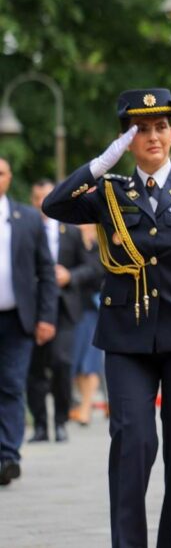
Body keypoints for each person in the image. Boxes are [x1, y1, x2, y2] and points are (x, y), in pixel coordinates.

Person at [42, 89, 171, 548]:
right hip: (125, 338)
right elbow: (54, 205)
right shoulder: (110, 191)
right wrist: (100, 165)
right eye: (141, 130)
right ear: (126, 140)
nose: (153, 136)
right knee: (132, 442)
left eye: (161, 127)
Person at [26, 179, 102, 443]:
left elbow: (93, 267)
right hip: (33, 308)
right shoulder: (25, 229)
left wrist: (70, 276)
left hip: (65, 308)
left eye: (46, 197)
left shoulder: (71, 232)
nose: (41, 204)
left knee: (62, 362)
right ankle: (39, 425)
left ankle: (59, 420)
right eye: (37, 198)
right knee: (35, 368)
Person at [0, 157, 58, 486]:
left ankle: (8, 456)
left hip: (17, 320)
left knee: (11, 384)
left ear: (9, 178)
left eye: (0, 173)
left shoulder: (28, 219)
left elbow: (46, 272)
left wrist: (46, 317)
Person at [68, 223, 105, 426]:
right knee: (79, 361)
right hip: (77, 309)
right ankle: (85, 405)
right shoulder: (74, 242)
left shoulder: (99, 245)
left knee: (90, 361)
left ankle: (85, 409)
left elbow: (97, 272)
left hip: (95, 308)